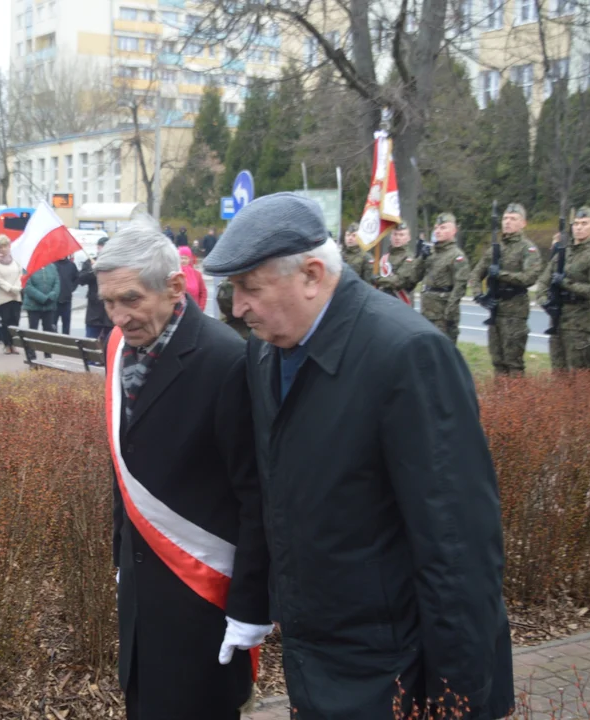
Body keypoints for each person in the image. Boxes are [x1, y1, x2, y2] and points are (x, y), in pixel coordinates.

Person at [204, 192, 513, 720]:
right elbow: (270, 491)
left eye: (250, 288)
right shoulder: (266, 350)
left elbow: (457, 546)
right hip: (316, 654)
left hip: (392, 668)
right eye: (233, 289)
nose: (237, 308)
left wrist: (460, 698)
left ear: (312, 274)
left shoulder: (407, 355)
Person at [96, 219, 270, 720]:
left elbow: (256, 494)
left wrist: (250, 606)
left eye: (130, 299)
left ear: (174, 287)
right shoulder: (119, 346)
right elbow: (122, 462)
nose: (118, 316)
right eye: (108, 301)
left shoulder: (226, 360)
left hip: (203, 598)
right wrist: (119, 557)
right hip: (141, 590)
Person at [534, 207, 590, 371]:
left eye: (584, 223)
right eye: (576, 224)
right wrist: (546, 303)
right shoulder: (563, 254)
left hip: (582, 327)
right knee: (559, 376)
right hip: (558, 322)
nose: (578, 227)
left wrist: (565, 283)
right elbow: (544, 282)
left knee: (581, 381)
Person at [469, 203, 542, 375]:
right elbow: (475, 275)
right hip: (496, 310)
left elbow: (529, 277)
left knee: (513, 363)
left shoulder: (527, 249)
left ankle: (516, 401)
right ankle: (501, 401)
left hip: (515, 312)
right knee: (498, 362)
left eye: (513, 219)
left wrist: (500, 274)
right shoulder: (496, 248)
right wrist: (480, 296)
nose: (507, 222)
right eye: (505, 218)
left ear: (523, 223)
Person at [413, 212, 469, 344]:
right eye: (436, 227)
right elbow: (413, 277)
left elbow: (460, 287)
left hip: (443, 316)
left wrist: (449, 314)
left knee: (443, 354)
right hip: (426, 312)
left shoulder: (457, 256)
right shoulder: (431, 253)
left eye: (443, 227)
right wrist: (421, 258)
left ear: (454, 230)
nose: (438, 231)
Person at [76, 238, 114, 342]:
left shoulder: (116, 264)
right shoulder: (90, 262)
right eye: (101, 247)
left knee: (109, 343)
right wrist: (93, 270)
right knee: (90, 342)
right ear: (98, 248)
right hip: (94, 312)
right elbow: (81, 280)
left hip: (110, 313)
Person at [375, 222, 422, 305]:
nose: (397, 238)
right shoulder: (384, 258)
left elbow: (398, 281)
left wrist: (377, 280)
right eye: (395, 234)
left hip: (400, 302)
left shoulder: (409, 258)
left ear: (408, 238)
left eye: (401, 235)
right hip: (383, 301)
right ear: (390, 236)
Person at [0, 235, 23, 355]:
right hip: (3, 296)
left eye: (5, 246)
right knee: (5, 321)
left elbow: (20, 274)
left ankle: (14, 344)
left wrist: (16, 288)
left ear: (9, 247)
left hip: (16, 295)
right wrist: (9, 288)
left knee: (15, 321)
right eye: (0, 247)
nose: (3, 249)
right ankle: (6, 345)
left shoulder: (15, 260)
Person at [22, 262, 60, 358]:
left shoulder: (52, 266)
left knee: (48, 331)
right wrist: (42, 298)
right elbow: (27, 286)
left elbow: (57, 283)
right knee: (33, 331)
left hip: (49, 306)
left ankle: (48, 355)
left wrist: (51, 296)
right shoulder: (28, 267)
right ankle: (32, 355)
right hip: (33, 306)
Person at [54, 255, 79, 335]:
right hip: (55, 300)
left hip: (67, 299)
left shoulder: (71, 265)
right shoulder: (53, 264)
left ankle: (65, 343)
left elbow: (77, 278)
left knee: (66, 325)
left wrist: (71, 288)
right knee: (53, 325)